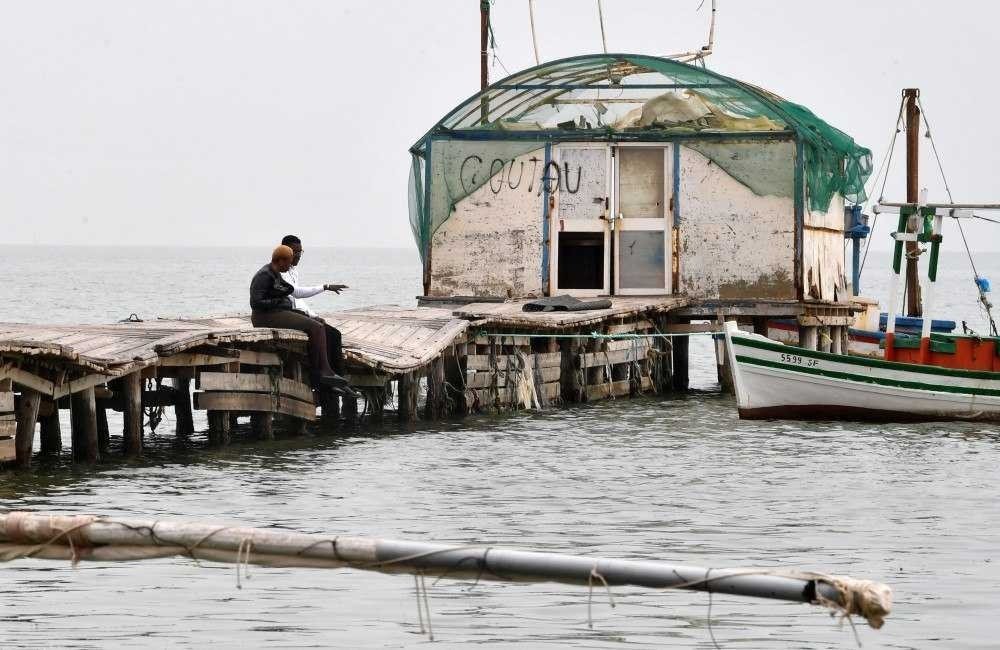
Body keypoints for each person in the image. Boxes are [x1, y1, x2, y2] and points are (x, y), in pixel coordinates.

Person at [249, 245, 354, 395]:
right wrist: (279, 302)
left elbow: (291, 291)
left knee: (318, 325)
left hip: (275, 312)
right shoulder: (264, 275)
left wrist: (285, 296)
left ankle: (326, 370)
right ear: (280, 260)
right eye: (289, 262)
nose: (290, 265)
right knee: (316, 327)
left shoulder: (274, 272)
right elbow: (256, 303)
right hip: (264, 317)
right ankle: (324, 371)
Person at [279, 234, 348, 376]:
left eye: (300, 252)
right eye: (295, 252)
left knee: (334, 334)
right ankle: (319, 374)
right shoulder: (280, 271)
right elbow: (296, 293)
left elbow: (297, 300)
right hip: (284, 314)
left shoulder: (293, 271)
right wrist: (325, 286)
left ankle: (338, 376)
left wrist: (313, 315)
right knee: (319, 330)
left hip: (295, 313)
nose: (298, 255)